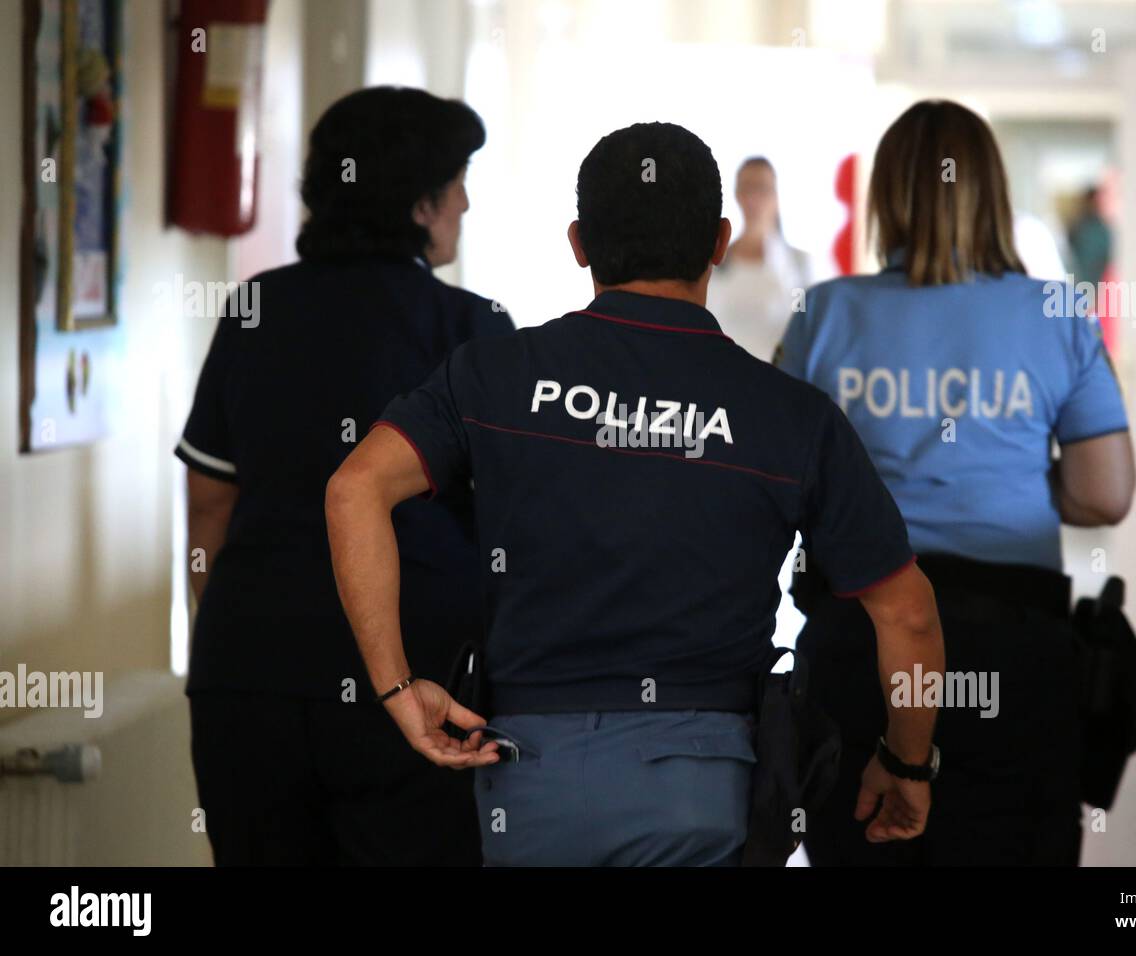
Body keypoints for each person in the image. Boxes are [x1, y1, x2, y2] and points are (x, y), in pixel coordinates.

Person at [325, 121, 946, 867]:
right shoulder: (789, 415)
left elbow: (353, 489)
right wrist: (907, 762)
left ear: (579, 243)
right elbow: (907, 615)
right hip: (705, 792)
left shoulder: (492, 376)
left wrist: (396, 689)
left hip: (529, 786)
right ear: (719, 242)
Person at [777, 99, 1136, 866]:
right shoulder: (1059, 313)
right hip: (1018, 643)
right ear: (993, 193)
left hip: (865, 637)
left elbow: (778, 485)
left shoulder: (825, 314)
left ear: (888, 196)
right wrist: (1020, 478)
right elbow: (1106, 493)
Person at [176, 87, 512, 865]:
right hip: (414, 681)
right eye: (458, 178)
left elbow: (207, 511)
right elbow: (512, 525)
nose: (466, 198)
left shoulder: (254, 308)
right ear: (422, 203)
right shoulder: (472, 328)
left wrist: (245, 636)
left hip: (248, 676)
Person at [709, 157, 815, 361]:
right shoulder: (715, 264)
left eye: (762, 188)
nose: (753, 198)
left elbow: (809, 330)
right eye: (746, 187)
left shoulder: (801, 267)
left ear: (775, 195)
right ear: (737, 194)